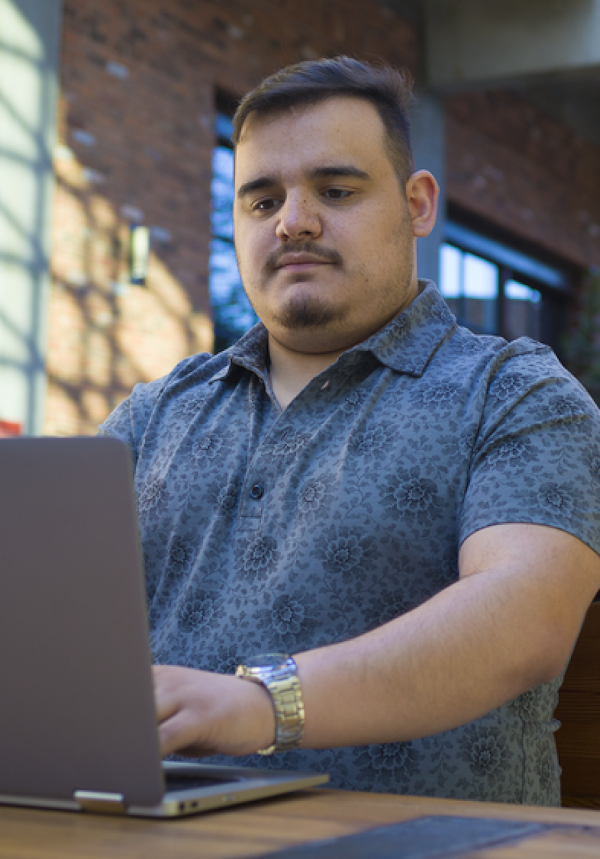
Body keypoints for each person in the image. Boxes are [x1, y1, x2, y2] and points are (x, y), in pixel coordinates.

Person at [99, 56, 600, 805]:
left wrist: (264, 706)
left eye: (335, 190)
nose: (294, 221)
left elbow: (522, 618)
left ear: (418, 204)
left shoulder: (516, 393)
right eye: (261, 201)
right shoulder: (155, 413)